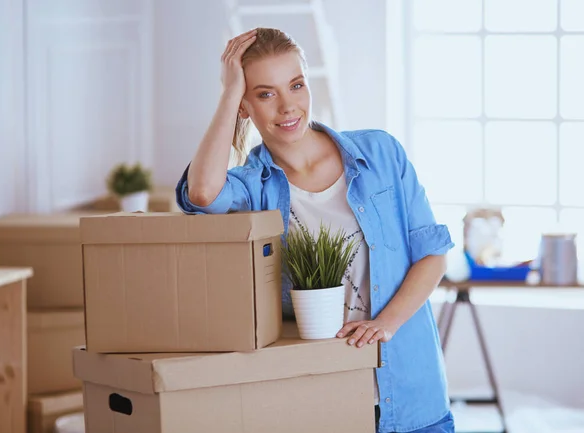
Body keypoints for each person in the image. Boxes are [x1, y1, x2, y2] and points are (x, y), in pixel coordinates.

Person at [176, 27, 456, 433]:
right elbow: (202, 193)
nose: (288, 107)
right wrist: (228, 91)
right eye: (265, 93)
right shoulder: (252, 185)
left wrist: (387, 323)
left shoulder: (380, 153)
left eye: (296, 85)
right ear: (244, 106)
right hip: (321, 397)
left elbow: (432, 253)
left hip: (412, 395)